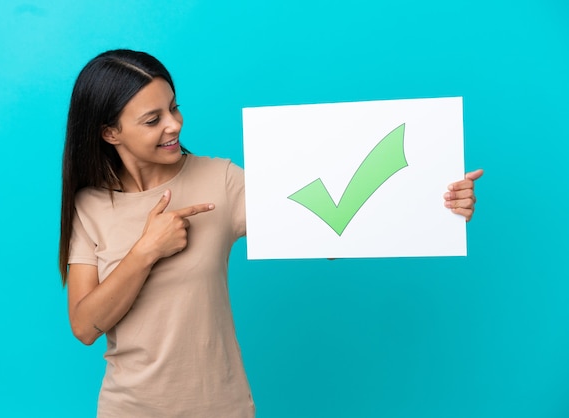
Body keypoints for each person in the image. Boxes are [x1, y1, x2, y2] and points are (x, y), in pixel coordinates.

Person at [58, 49, 483, 418]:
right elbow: (85, 326)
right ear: (110, 132)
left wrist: (437, 201)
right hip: (127, 410)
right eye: (153, 119)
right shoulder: (90, 206)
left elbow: (324, 230)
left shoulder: (220, 179)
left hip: (220, 408)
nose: (175, 125)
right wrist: (146, 250)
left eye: (174, 107)